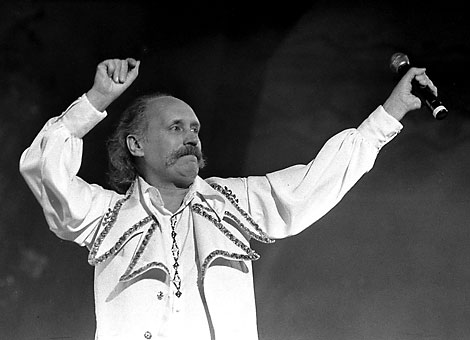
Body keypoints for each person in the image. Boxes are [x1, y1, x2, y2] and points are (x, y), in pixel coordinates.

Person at [19, 57, 437, 340]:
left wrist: (390, 113)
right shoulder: (104, 216)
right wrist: (95, 102)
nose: (192, 137)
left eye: (195, 129)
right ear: (136, 144)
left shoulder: (232, 203)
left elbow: (316, 182)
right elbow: (43, 167)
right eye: (176, 128)